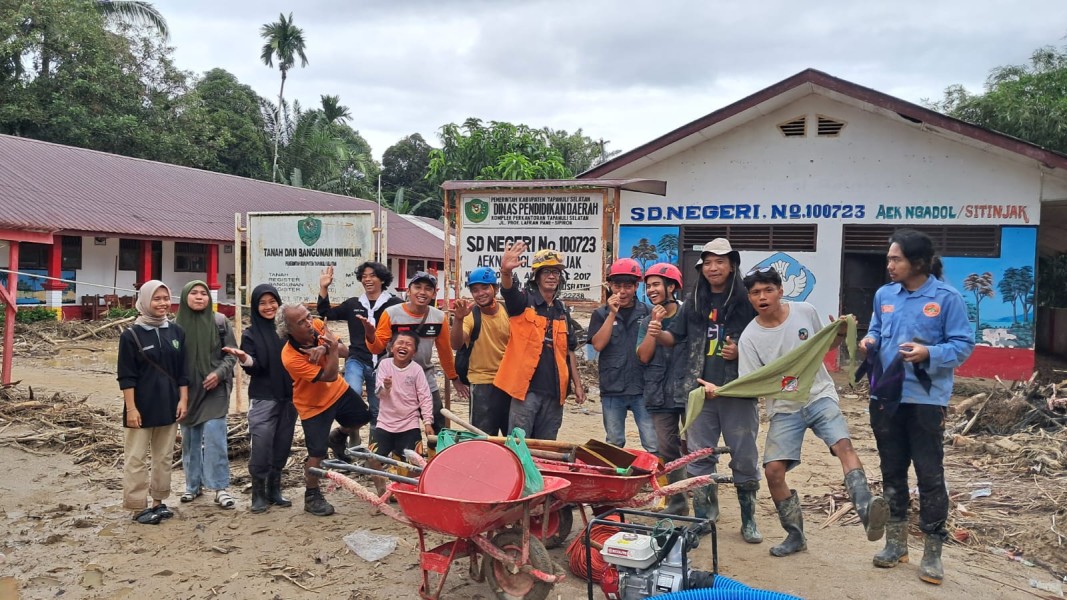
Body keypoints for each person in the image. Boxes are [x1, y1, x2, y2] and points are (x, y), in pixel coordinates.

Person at [735, 267, 889, 557]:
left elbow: (824, 347)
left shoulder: (804, 312)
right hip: (784, 408)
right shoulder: (750, 338)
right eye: (755, 293)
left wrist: (841, 332)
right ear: (750, 299)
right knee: (773, 471)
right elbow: (755, 382)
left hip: (819, 395)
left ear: (781, 291)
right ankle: (795, 535)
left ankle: (866, 507)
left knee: (843, 445)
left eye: (768, 290)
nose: (762, 297)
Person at [860, 229, 974, 585]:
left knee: (929, 474)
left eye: (896, 259)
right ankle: (896, 545)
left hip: (926, 400)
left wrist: (929, 353)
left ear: (919, 263)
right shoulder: (884, 295)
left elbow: (963, 344)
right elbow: (878, 329)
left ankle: (932, 552)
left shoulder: (946, 298)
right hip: (885, 397)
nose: (889, 265)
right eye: (889, 258)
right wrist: (870, 340)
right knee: (892, 470)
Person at [654, 238, 761, 542]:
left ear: (731, 266)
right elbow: (674, 338)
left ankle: (749, 520)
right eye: (708, 263)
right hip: (699, 392)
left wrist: (741, 351)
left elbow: (765, 337)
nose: (713, 268)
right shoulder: (694, 303)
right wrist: (656, 332)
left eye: (720, 262)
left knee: (744, 457)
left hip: (737, 391)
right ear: (702, 269)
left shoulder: (746, 302)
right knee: (700, 458)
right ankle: (704, 517)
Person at [279, 303, 372, 516]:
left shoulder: (319, 325)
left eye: (308, 317)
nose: (309, 323)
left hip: (338, 391)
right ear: (289, 330)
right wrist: (330, 349)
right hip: (313, 405)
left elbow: (345, 351)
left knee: (362, 417)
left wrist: (325, 348)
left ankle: (338, 436)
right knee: (316, 453)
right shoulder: (290, 357)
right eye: (301, 322)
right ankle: (311, 495)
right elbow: (329, 374)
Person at [495, 242, 586, 440]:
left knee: (547, 446)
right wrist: (505, 272)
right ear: (536, 276)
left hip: (555, 393)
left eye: (555, 271)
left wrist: (578, 385)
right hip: (526, 391)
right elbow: (508, 291)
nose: (552, 276)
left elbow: (569, 351)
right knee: (519, 444)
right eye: (546, 271)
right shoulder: (523, 302)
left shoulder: (562, 311)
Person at [117, 280, 188, 525]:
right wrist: (131, 409)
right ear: (145, 302)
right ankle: (137, 507)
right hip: (141, 408)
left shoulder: (176, 332)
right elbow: (126, 376)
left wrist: (183, 400)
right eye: (157, 299)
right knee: (136, 458)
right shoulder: (131, 335)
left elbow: (182, 371)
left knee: (164, 457)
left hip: (169, 405)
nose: (163, 304)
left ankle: (159, 502)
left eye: (166, 298)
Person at [363, 271, 468, 434]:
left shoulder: (439, 317)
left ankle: (436, 458)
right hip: (394, 377)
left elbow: (445, 352)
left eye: (428, 288)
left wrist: (454, 377)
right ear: (409, 291)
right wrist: (370, 336)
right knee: (388, 423)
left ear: (434, 293)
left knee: (437, 423)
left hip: (425, 376)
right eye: (417, 287)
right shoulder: (391, 313)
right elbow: (377, 348)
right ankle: (382, 456)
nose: (422, 292)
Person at [222, 284, 296, 514]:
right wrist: (244, 358)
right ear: (255, 307)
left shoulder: (289, 330)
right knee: (262, 445)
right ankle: (258, 493)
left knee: (282, 444)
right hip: (264, 398)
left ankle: (275, 490)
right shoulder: (250, 334)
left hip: (290, 397)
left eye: (272, 301)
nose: (268, 307)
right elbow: (256, 367)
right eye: (262, 303)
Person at [317, 262, 402, 435]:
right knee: (352, 394)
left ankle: (374, 452)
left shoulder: (395, 304)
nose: (367, 279)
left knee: (377, 407)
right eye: (364, 277)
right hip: (356, 359)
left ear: (382, 279)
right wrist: (323, 287)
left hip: (382, 363)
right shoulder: (353, 304)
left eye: (372, 276)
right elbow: (326, 312)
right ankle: (349, 437)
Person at [175, 280, 238, 510]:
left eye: (203, 293)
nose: (199, 297)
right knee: (190, 439)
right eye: (194, 293)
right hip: (186, 392)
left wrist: (219, 374)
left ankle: (220, 488)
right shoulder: (174, 327)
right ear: (184, 297)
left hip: (215, 390)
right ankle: (192, 486)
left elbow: (232, 356)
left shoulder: (220, 322)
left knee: (215, 437)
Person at [589, 258, 657, 453]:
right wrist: (612, 314)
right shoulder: (600, 314)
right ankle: (616, 481)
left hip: (643, 387)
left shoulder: (649, 313)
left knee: (652, 442)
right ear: (609, 285)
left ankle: (658, 482)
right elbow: (598, 345)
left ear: (636, 286)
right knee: (614, 442)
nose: (622, 291)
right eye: (617, 285)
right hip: (613, 388)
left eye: (628, 286)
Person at [638, 263, 689, 515]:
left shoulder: (689, 314)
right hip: (658, 393)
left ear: (672, 287)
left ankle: (703, 502)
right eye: (648, 286)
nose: (651, 290)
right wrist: (653, 328)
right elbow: (643, 357)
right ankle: (678, 503)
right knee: (668, 448)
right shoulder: (646, 321)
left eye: (656, 284)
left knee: (695, 446)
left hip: (688, 390)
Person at [368, 330, 434, 494]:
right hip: (385, 423)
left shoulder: (416, 370)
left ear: (415, 352)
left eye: (409, 344)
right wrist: (386, 387)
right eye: (400, 343)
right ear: (391, 347)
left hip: (409, 423)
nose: (403, 346)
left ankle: (405, 492)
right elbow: (379, 394)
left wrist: (427, 421)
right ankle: (382, 494)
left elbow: (425, 396)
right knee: (373, 459)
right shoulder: (384, 364)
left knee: (415, 462)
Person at [449, 267, 512, 435]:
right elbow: (455, 344)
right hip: (482, 383)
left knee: (512, 438)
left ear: (496, 289)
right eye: (475, 290)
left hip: (509, 383)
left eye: (485, 287)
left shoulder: (508, 312)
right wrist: (458, 319)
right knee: (483, 438)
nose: (480, 293)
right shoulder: (470, 315)